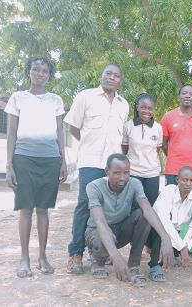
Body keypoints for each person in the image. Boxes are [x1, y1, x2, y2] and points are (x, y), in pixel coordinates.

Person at [5, 57, 67, 277]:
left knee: (43, 209)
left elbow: (60, 132)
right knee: (26, 209)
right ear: (28, 72)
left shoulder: (56, 100)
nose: (40, 74)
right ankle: (24, 258)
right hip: (23, 159)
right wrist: (9, 164)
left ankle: (42, 256)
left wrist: (63, 161)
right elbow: (12, 133)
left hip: (50, 160)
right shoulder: (17, 98)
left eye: (45, 71)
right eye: (36, 70)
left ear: (49, 75)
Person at [64, 64, 129, 274]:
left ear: (120, 80)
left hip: (112, 167)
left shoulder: (123, 104)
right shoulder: (86, 97)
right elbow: (73, 126)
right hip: (90, 161)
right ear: (101, 76)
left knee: (108, 207)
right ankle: (75, 254)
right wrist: (87, 144)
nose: (112, 77)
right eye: (108, 74)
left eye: (116, 75)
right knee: (85, 206)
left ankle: (99, 251)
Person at [84, 153, 174, 286]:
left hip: (120, 230)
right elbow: (100, 222)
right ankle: (97, 260)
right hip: (97, 232)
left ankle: (133, 266)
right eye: (117, 173)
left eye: (126, 173)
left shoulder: (134, 183)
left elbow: (148, 209)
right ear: (107, 171)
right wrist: (115, 257)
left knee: (143, 215)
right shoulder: (94, 187)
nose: (122, 178)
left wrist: (166, 238)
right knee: (103, 238)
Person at [148, 166, 192, 282]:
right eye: (185, 180)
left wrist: (190, 244)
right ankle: (155, 266)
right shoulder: (169, 191)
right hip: (157, 231)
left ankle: (173, 255)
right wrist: (183, 247)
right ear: (177, 180)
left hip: (178, 232)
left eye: (191, 181)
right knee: (162, 233)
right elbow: (164, 221)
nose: (188, 183)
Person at [161, 84, 192, 191]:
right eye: (184, 93)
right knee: (171, 201)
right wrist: (174, 155)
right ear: (178, 97)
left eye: (191, 94)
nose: (187, 96)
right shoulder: (168, 117)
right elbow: (163, 143)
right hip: (173, 169)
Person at [121, 93, 163, 206]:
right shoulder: (128, 126)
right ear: (137, 107)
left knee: (151, 205)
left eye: (150, 108)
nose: (146, 111)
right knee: (133, 206)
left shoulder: (158, 128)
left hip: (152, 174)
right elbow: (124, 148)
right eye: (143, 107)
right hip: (133, 173)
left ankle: (148, 225)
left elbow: (158, 149)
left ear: (153, 110)